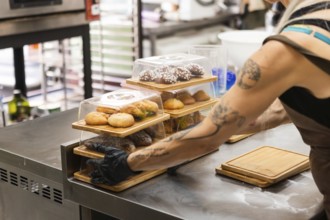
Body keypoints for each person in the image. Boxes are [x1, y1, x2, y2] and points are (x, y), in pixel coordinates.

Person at [87, 0, 330, 218]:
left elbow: (206, 139)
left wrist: (128, 162)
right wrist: (183, 142)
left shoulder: (284, 49)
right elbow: (311, 97)